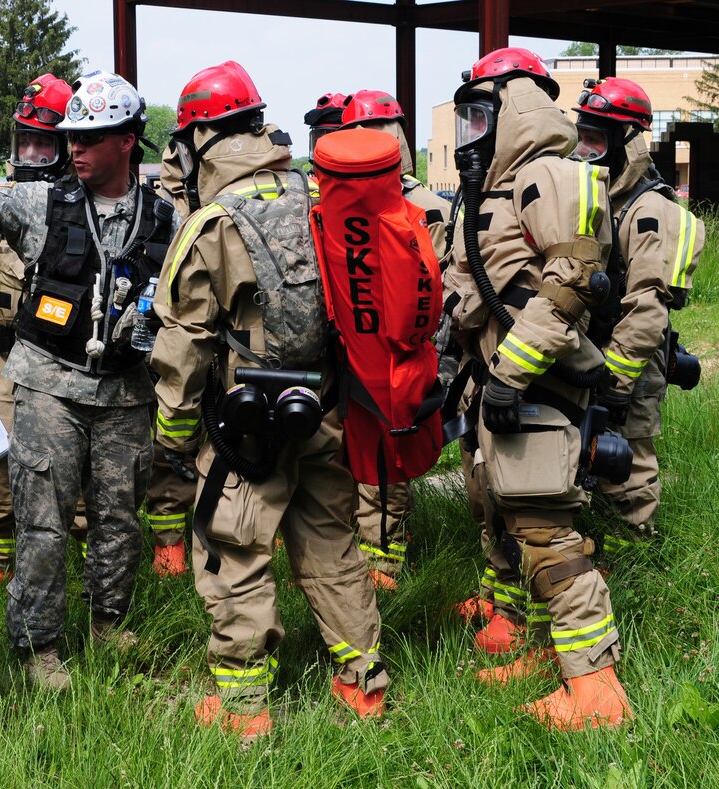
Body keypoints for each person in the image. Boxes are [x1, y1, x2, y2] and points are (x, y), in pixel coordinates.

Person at [152, 61, 389, 741]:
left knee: (234, 550)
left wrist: (170, 444)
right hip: (323, 410)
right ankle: (362, 683)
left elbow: (183, 350)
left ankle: (244, 705)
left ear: (199, 140)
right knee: (333, 544)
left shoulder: (211, 225)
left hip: (243, 429)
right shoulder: (318, 196)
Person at [0, 70, 178, 690]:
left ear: (128, 140)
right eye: (71, 137)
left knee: (118, 518)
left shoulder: (168, 221)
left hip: (125, 394)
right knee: (43, 515)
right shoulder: (42, 203)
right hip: (46, 387)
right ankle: (39, 645)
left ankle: (109, 622)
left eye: (90, 138)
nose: (75, 149)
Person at [443, 47, 631, 729]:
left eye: (479, 114)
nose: (471, 130)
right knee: (507, 520)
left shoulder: (553, 176)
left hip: (539, 383)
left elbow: (571, 285)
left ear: (513, 109)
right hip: (499, 383)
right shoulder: (492, 190)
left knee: (548, 533)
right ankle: (531, 639)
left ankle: (597, 690)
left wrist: (510, 372)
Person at [0, 73, 90, 603]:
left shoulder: (87, 198)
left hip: (74, 353)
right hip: (9, 350)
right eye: (22, 141)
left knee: (80, 458)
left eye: (42, 143)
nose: (29, 154)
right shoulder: (0, 198)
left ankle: (87, 557)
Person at [571, 77, 704, 565]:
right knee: (592, 452)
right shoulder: (599, 196)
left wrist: (617, 379)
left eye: (597, 140)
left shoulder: (649, 210)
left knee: (631, 458)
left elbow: (648, 307)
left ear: (628, 141)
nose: (585, 150)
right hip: (596, 350)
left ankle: (635, 556)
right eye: (581, 136)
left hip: (632, 359)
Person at [337, 90, 453, 590]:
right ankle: (373, 557)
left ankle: (383, 563)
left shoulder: (422, 207)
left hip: (396, 351)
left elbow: (437, 288)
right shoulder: (424, 203)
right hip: (375, 349)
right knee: (374, 454)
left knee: (387, 457)